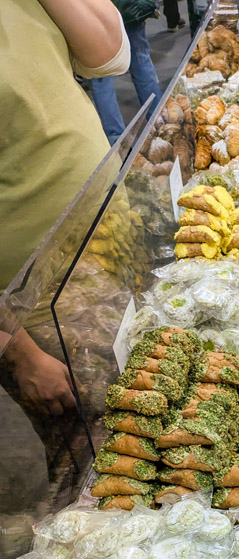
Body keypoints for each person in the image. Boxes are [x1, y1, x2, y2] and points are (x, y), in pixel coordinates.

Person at [0, 0, 130, 415]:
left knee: (158, 388)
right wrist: (17, 352)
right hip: (38, 301)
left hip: (109, 236)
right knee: (102, 437)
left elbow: (111, 52)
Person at [90, 0, 164, 146]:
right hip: (128, 7)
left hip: (95, 13)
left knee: (100, 75)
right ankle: (161, 121)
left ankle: (119, 143)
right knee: (140, 59)